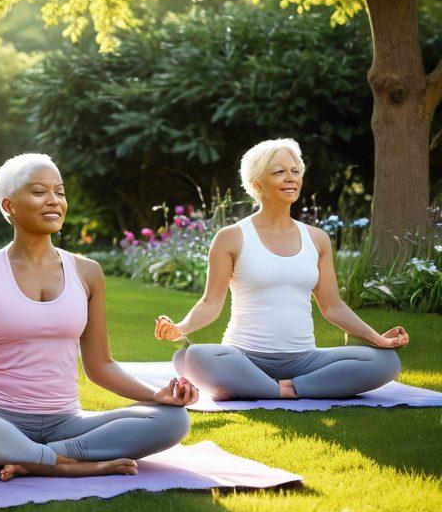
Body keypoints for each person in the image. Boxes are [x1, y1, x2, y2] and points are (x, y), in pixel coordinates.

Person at [0, 153, 196, 480]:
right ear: (9, 205)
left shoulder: (87, 273)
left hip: (67, 424)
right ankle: (72, 464)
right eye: (40, 191)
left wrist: (156, 395)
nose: (54, 201)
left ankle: (41, 459)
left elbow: (101, 365)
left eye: (60, 191)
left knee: (173, 419)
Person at [154, 138, 407, 400]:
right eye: (279, 172)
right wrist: (181, 328)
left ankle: (278, 388)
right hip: (242, 357)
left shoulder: (317, 238)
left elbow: (333, 306)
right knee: (191, 356)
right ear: (257, 184)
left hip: (304, 360)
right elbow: (210, 303)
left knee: (386, 362)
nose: (291, 178)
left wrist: (377, 339)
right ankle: (281, 386)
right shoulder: (231, 237)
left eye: (295, 171)